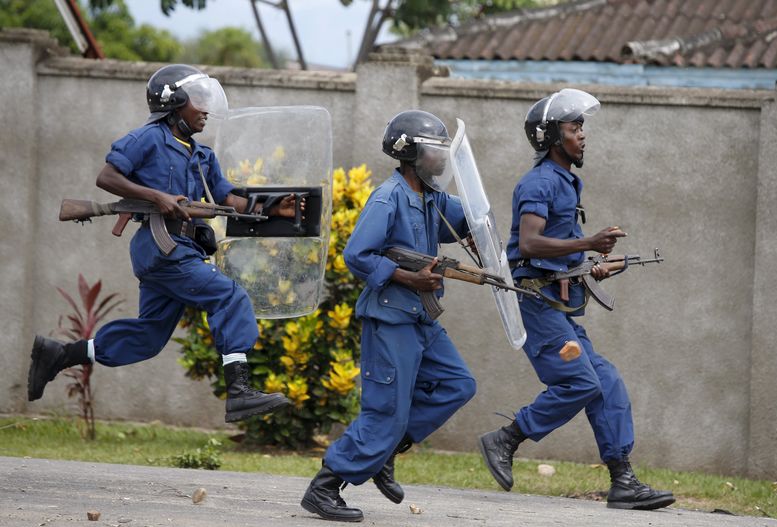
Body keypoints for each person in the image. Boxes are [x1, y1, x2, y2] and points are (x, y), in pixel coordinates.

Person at [27, 64, 300, 423]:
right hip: (163, 247)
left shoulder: (201, 155)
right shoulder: (149, 138)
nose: (205, 109)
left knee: (149, 337)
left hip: (176, 251)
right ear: (174, 101)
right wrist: (157, 197)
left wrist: (269, 209)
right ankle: (240, 392)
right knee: (230, 297)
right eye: (197, 100)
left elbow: (225, 197)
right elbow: (107, 176)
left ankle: (59, 354)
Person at [478, 88, 675, 511]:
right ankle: (505, 439)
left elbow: (554, 250)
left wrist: (587, 263)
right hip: (536, 306)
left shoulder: (565, 181)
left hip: (557, 307)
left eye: (582, 126)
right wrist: (589, 240)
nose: (582, 135)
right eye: (574, 127)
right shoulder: (540, 182)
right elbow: (528, 245)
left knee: (606, 383)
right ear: (552, 137)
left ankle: (623, 481)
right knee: (580, 382)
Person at [300, 110, 477, 522]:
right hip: (391, 320)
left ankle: (383, 453)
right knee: (385, 412)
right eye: (434, 151)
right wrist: (408, 278)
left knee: (458, 384)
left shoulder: (432, 198)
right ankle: (325, 488)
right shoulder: (389, 197)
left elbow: (467, 217)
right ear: (411, 154)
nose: (441, 159)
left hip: (421, 321)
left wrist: (483, 229)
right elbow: (356, 255)